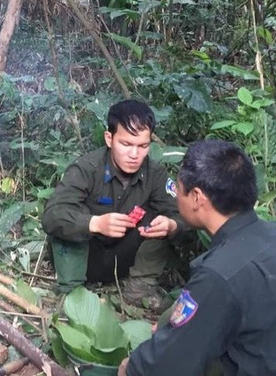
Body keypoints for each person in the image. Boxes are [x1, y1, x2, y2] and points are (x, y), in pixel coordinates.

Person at [118, 139, 276, 376]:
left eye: (178, 188)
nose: (176, 196)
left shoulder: (220, 273)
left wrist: (131, 367)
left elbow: (164, 366)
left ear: (196, 197)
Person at [41, 100, 184, 307]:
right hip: (86, 257)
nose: (134, 155)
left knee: (160, 219)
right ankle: (72, 294)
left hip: (124, 260)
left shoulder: (155, 174)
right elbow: (52, 216)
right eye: (126, 144)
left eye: (143, 146)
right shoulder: (86, 169)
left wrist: (171, 226)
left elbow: (185, 217)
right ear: (109, 138)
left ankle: (139, 289)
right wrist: (95, 224)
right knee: (71, 214)